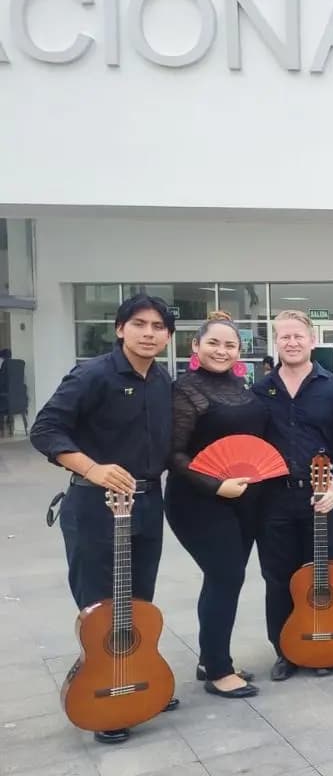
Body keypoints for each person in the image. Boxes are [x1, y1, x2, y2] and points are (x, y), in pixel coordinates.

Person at [30, 294, 179, 744]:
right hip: (96, 507)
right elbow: (45, 429)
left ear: (168, 336)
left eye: (158, 326)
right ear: (120, 329)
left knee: (137, 606)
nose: (149, 333)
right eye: (139, 324)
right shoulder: (92, 374)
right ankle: (106, 696)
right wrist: (92, 467)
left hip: (147, 505)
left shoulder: (161, 379)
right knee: (99, 607)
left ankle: (139, 675)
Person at [165, 311, 268, 699]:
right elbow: (173, 454)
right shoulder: (185, 390)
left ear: (239, 351)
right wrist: (215, 484)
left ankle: (212, 658)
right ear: (195, 346)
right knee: (226, 575)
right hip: (198, 500)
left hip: (243, 499)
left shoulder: (242, 387)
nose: (221, 351)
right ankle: (218, 671)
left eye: (230, 345)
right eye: (213, 343)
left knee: (226, 577)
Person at [253, 311, 333, 682]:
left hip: (325, 496)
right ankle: (285, 650)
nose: (292, 342)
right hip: (275, 499)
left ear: (312, 341)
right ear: (276, 342)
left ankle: (320, 645)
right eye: (284, 337)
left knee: (322, 576)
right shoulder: (261, 390)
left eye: (298, 336)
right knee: (277, 576)